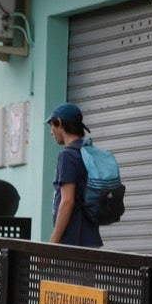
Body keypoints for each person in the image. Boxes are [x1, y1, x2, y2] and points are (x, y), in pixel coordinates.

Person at [46, 102, 103, 248]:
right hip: (90, 242)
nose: (51, 132)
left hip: (71, 245)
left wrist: (51, 244)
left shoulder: (67, 156)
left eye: (52, 126)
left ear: (59, 123)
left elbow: (67, 202)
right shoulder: (88, 153)